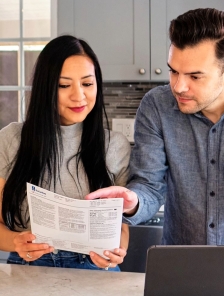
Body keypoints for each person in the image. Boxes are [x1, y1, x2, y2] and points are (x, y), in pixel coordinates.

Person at [86, 8, 224, 246]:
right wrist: (134, 201)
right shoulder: (156, 106)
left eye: (195, 76)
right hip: (178, 267)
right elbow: (149, 185)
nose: (178, 86)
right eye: (173, 71)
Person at [0, 35, 130, 270]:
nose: (78, 95)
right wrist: (15, 242)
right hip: (28, 266)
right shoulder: (11, 139)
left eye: (87, 84)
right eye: (63, 85)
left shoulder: (115, 145)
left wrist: (117, 251)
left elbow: (120, 225)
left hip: (94, 267)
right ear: (45, 88)